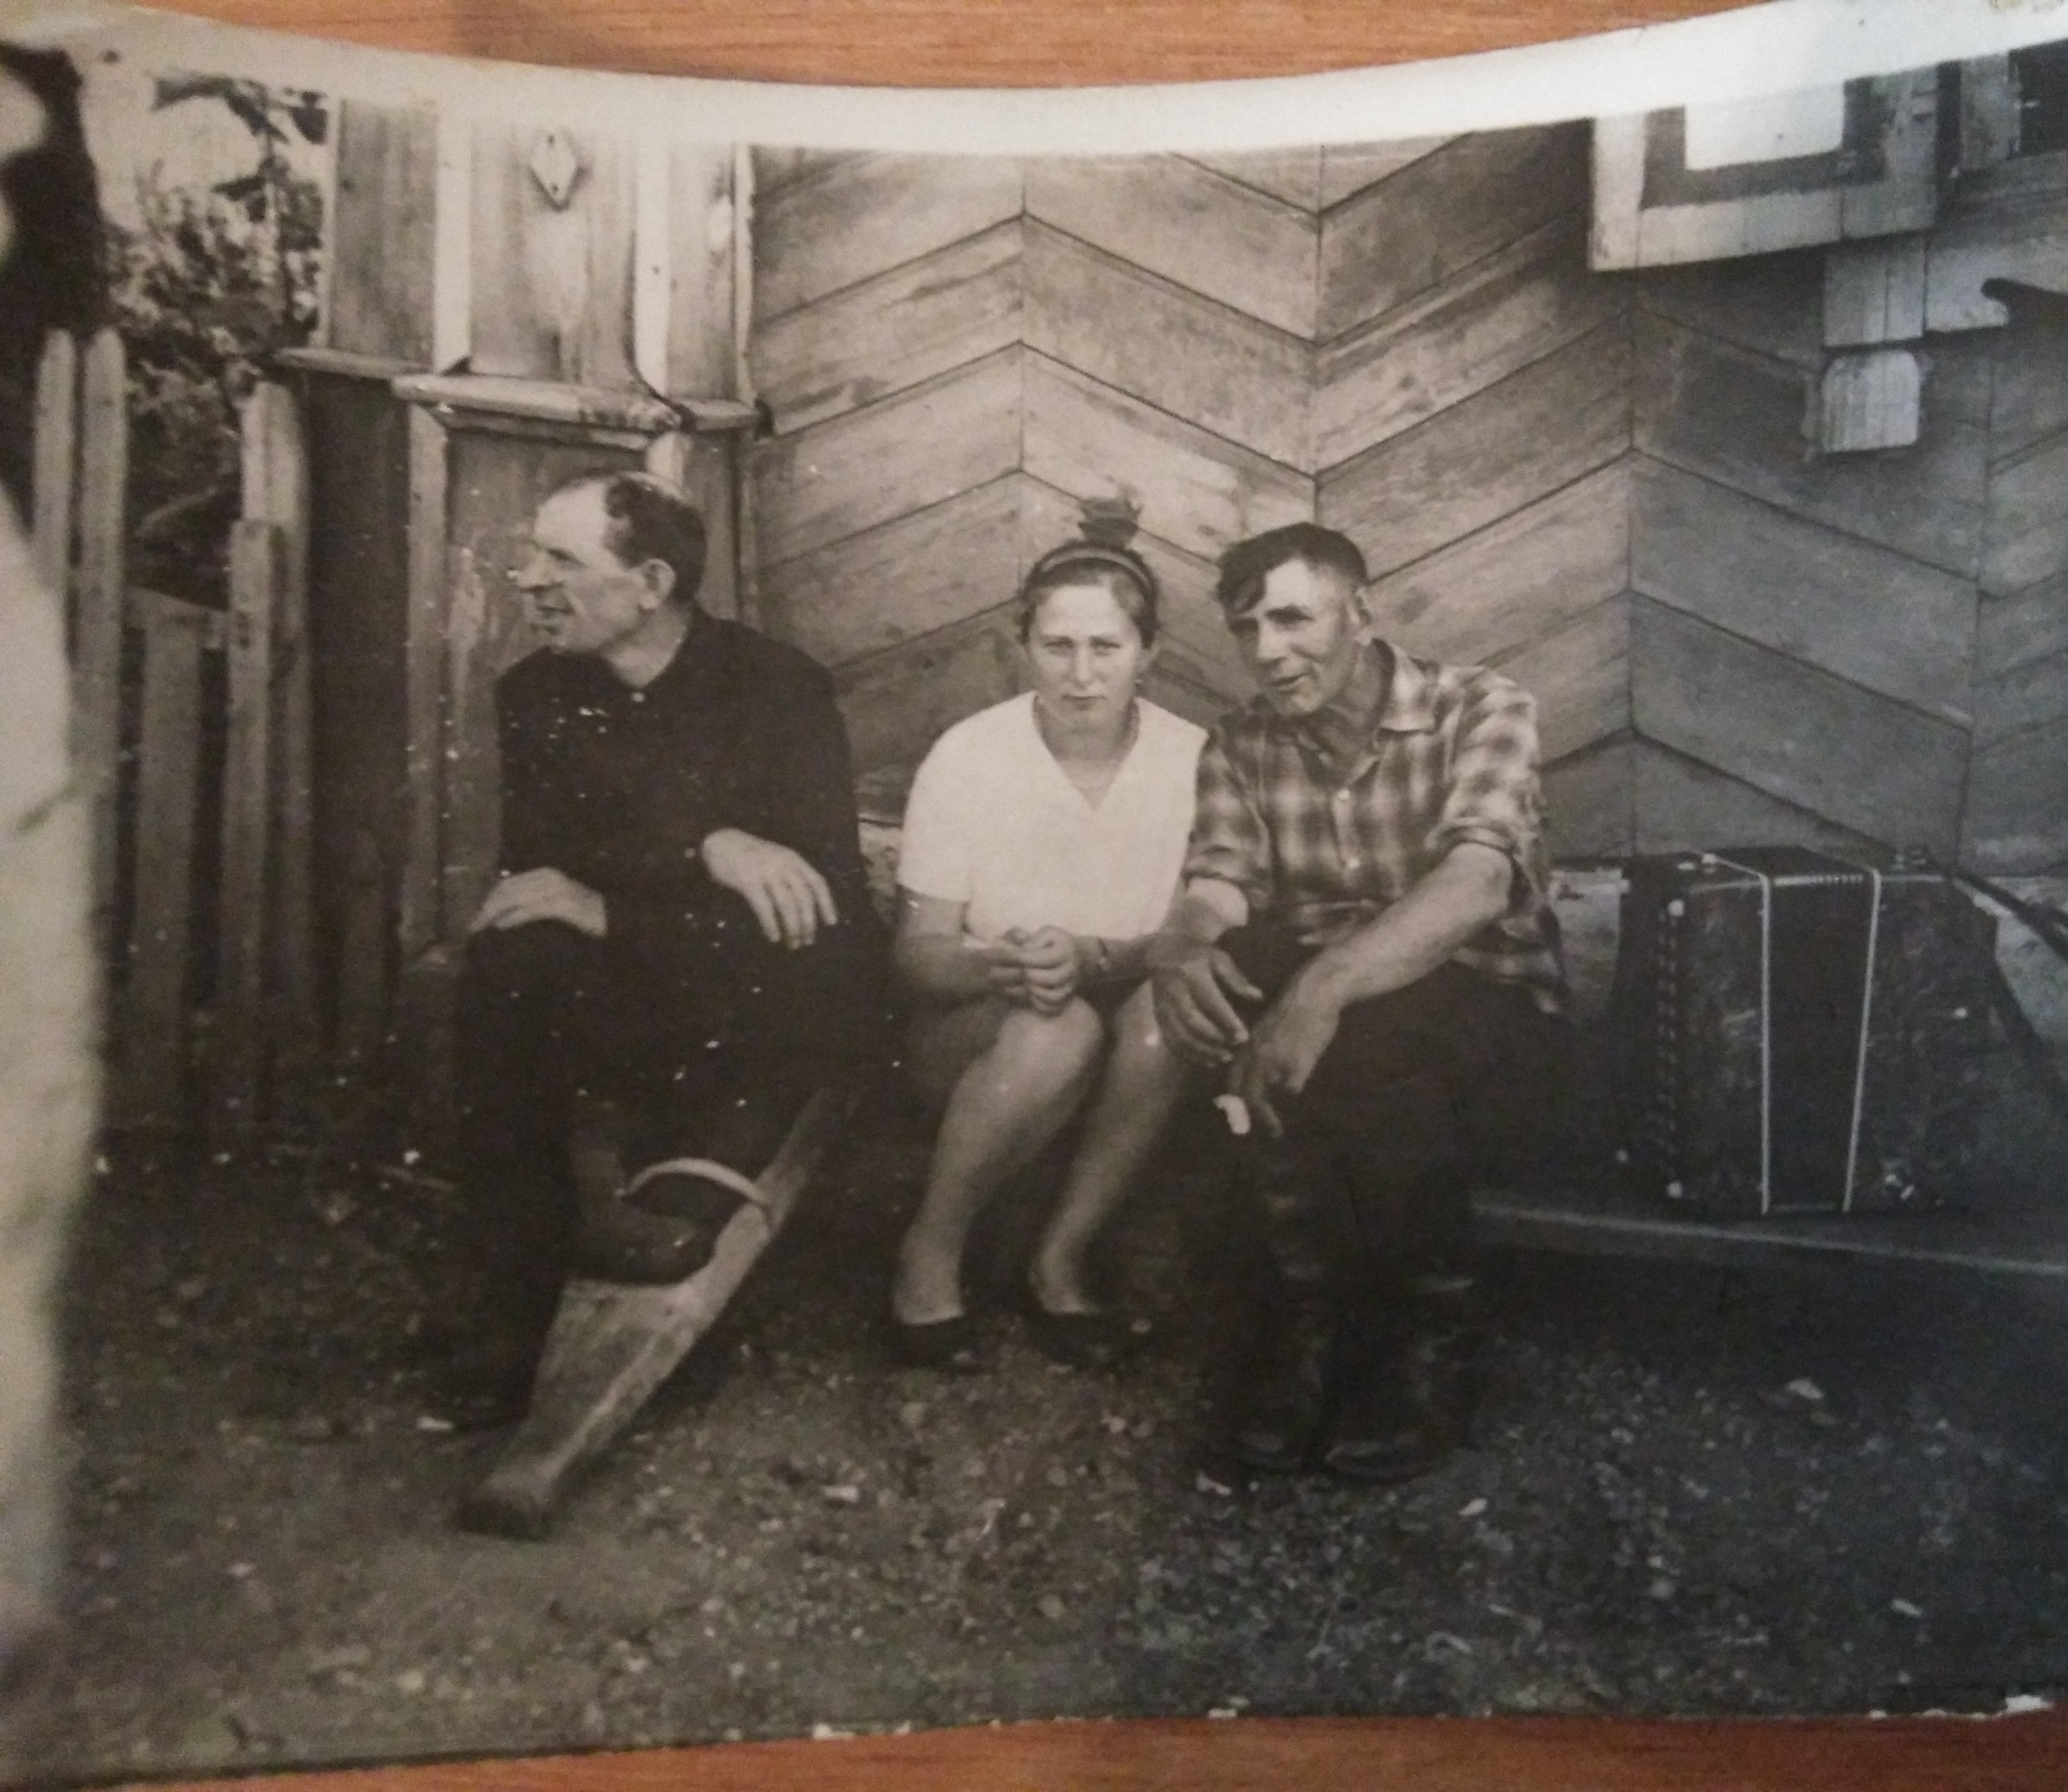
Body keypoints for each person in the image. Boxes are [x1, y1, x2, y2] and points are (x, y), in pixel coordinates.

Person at [446, 470, 885, 1420]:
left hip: (758, 1006)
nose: (530, 580)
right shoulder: (538, 694)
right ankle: (511, 1296)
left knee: (791, 942)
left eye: (562, 559)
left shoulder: (778, 690)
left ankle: (666, 1175)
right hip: (631, 995)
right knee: (512, 956)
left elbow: (825, 920)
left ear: (651, 583)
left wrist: (620, 905)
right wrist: (709, 847)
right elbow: (544, 871)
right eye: (532, 556)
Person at [1147, 522, 1569, 1482]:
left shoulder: (1481, 707)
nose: (1268, 651)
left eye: (1292, 619)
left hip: (1491, 1007)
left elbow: (1475, 884)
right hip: (1343, 1027)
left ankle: (1432, 1341)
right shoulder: (1242, 741)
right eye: (1247, 628)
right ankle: (1311, 1324)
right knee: (1244, 990)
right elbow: (1220, 881)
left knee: (1365, 1036)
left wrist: (1322, 990)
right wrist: (1181, 944)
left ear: (1362, 613)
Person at [888, 505, 1207, 1369]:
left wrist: (1098, 955)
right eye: (1058, 646)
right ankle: (930, 1252)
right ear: (1022, 647)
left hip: (1128, 1038)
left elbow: (1194, 934)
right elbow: (917, 957)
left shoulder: (1193, 760)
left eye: (1107, 647)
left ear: (1149, 653)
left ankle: (1060, 1256)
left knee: (1163, 1017)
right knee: (1058, 1027)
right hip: (982, 1037)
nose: (1082, 674)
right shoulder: (969, 757)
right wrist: (1000, 965)